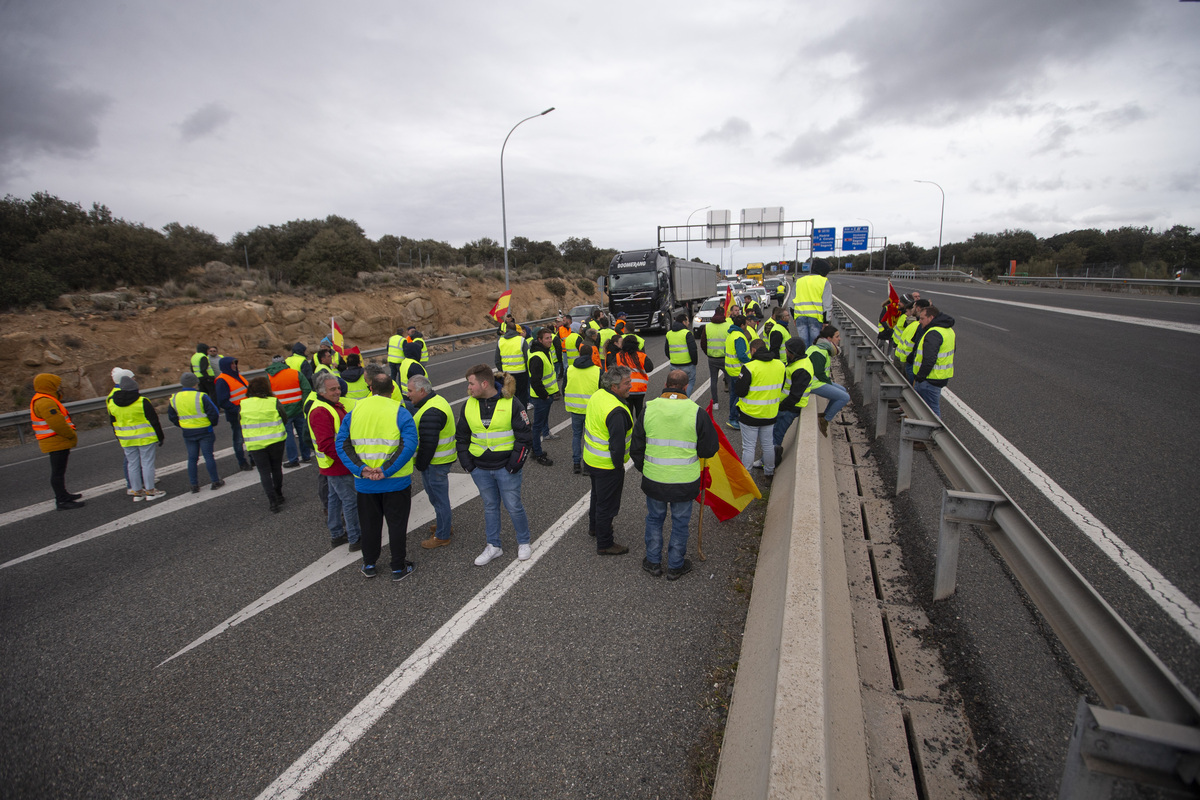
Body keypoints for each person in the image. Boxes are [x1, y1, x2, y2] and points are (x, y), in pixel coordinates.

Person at [631, 369, 719, 580]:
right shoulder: (696, 412)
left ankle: (653, 561)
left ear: (666, 383)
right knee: (680, 522)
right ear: (686, 386)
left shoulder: (649, 408)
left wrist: (647, 468)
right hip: (684, 481)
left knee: (654, 519)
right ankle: (675, 565)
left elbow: (636, 448)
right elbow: (709, 449)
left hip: (654, 479)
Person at [336, 373, 419, 579]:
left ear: (370, 388)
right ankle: (398, 567)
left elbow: (342, 444)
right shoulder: (400, 412)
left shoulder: (354, 412)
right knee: (397, 526)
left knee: (370, 525)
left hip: (365, 483)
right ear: (392, 390)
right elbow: (408, 445)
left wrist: (361, 469)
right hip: (396, 482)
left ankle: (369, 564)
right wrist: (386, 470)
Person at [456, 364, 535, 566]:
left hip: (506, 469)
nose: (469, 388)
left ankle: (524, 542)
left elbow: (524, 436)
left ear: (484, 383)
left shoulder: (512, 403)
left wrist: (514, 465)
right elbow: (462, 437)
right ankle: (494, 545)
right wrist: (468, 465)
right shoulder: (468, 404)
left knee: (514, 506)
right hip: (479, 468)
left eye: (471, 384)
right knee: (490, 507)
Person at [582, 364, 634, 555]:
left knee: (597, 496)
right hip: (608, 465)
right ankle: (605, 543)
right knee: (607, 505)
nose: (631, 386)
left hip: (591, 458)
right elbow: (617, 445)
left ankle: (594, 527)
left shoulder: (598, 395)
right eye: (627, 383)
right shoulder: (617, 411)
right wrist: (619, 466)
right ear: (614, 387)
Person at [307, 372, 361, 550]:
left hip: (331, 464)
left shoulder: (329, 405)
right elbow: (326, 444)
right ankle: (355, 538)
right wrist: (348, 460)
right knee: (350, 501)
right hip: (337, 464)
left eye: (338, 387)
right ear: (322, 391)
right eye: (333, 389)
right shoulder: (321, 411)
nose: (337, 391)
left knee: (334, 499)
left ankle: (337, 533)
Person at [407, 375, 457, 550]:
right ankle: (444, 525)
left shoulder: (431, 411)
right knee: (437, 498)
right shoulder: (436, 401)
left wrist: (420, 464)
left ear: (422, 391)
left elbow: (428, 444)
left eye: (410, 391)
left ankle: (442, 535)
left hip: (435, 462)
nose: (408, 394)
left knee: (438, 498)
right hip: (438, 460)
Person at [108, 375, 167, 501]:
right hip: (145, 437)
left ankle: (137, 492)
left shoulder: (112, 403)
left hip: (126, 439)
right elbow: (154, 420)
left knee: (132, 464)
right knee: (147, 463)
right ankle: (150, 491)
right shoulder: (142, 401)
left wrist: (119, 438)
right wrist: (160, 436)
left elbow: (113, 423)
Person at [30, 373, 84, 510]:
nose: (59, 387)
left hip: (56, 441)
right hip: (55, 441)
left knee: (59, 471)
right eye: (56, 384)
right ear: (49, 385)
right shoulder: (45, 402)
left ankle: (64, 494)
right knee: (58, 472)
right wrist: (71, 435)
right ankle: (61, 500)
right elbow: (57, 423)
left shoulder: (46, 399)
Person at [733, 339, 784, 479]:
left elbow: (740, 391)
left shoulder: (749, 367)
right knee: (767, 445)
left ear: (753, 350)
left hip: (750, 414)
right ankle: (769, 472)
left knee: (749, 447)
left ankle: (746, 478)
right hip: (770, 413)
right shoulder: (780, 365)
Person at [169, 372, 224, 493]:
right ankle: (215, 481)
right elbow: (213, 412)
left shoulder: (174, 398)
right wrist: (212, 424)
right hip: (204, 430)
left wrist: (182, 425)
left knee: (192, 458)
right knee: (208, 456)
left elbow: (172, 416)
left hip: (188, 432)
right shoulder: (201, 396)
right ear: (195, 383)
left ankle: (194, 485)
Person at [240, 376, 288, 511]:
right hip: (276, 440)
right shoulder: (273, 401)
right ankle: (279, 494)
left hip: (255, 444)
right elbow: (284, 417)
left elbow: (241, 422)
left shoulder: (244, 404)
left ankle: (272, 501)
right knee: (276, 468)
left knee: (264, 472)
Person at [265, 355, 314, 468]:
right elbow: (306, 389)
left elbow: (267, 394)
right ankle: (306, 456)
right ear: (284, 362)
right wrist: (303, 404)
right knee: (302, 432)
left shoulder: (269, 376)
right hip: (298, 409)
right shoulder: (295, 373)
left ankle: (293, 459)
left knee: (288, 436)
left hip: (282, 411)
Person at [772, 338, 813, 464]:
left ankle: (770, 462)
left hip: (789, 409)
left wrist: (781, 407)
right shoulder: (798, 363)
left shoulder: (802, 369)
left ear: (793, 353)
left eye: (787, 350)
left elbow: (795, 396)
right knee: (774, 433)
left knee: (776, 435)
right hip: (788, 406)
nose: (785, 351)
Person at [912, 304, 956, 418]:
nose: (920, 321)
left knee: (931, 412)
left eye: (922, 318)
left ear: (931, 318)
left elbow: (929, 359)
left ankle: (933, 433)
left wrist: (919, 377)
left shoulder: (933, 333)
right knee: (928, 410)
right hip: (940, 377)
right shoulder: (948, 330)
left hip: (929, 379)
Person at [807, 325, 851, 437]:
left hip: (818, 381)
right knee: (844, 397)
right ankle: (825, 420)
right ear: (829, 339)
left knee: (843, 390)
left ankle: (825, 414)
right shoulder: (819, 352)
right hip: (813, 384)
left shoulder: (821, 348)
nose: (839, 339)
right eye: (837, 336)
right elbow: (819, 372)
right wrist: (828, 383)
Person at [525, 326, 561, 466]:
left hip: (547, 395)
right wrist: (545, 396)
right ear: (539, 340)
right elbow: (535, 381)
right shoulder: (537, 357)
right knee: (537, 427)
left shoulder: (545, 351)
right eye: (547, 338)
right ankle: (537, 453)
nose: (550, 340)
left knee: (539, 425)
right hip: (541, 398)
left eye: (550, 337)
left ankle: (536, 450)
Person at [564, 342, 601, 475]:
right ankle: (587, 465)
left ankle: (576, 463)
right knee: (589, 437)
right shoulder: (597, 371)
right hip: (592, 410)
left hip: (575, 409)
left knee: (576, 435)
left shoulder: (569, 369)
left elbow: (564, 387)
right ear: (591, 355)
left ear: (579, 354)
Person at [214, 356, 253, 472]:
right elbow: (222, 401)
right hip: (236, 415)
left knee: (250, 437)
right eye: (232, 364)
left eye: (235, 363)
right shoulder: (222, 380)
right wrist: (237, 409)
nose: (234, 366)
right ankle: (242, 462)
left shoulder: (237, 376)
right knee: (238, 439)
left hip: (247, 412)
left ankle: (253, 458)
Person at [793, 259, 832, 348]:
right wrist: (826, 321)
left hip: (800, 317)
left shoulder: (799, 281)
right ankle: (812, 361)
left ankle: (805, 361)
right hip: (816, 318)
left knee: (803, 344)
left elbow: (791, 302)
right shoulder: (824, 281)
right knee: (815, 345)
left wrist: (794, 317)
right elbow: (827, 304)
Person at [723, 314, 751, 430]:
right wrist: (751, 362)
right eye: (746, 323)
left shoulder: (730, 335)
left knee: (733, 394)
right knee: (739, 396)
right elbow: (741, 355)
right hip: (738, 370)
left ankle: (733, 417)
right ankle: (733, 418)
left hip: (730, 369)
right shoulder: (739, 336)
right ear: (742, 325)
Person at [698, 307, 729, 409]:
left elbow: (703, 343)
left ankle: (715, 403)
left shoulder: (708, 327)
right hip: (726, 358)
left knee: (713, 380)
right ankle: (732, 403)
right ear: (723, 314)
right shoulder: (728, 326)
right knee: (730, 380)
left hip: (712, 358)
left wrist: (709, 353)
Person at [615, 335, 652, 419]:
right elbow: (650, 368)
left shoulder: (619, 356)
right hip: (640, 389)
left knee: (628, 411)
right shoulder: (641, 355)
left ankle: (629, 429)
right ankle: (639, 429)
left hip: (625, 388)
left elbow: (613, 368)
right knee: (639, 410)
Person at [495, 321, 531, 408]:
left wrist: (502, 371)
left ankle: (512, 417)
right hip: (521, 373)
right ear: (516, 330)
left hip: (507, 374)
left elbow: (497, 360)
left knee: (510, 397)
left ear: (506, 330)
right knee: (522, 396)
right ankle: (523, 419)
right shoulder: (521, 340)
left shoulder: (501, 341)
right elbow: (527, 358)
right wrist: (527, 370)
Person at [664, 312, 698, 397]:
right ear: (683, 322)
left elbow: (666, 350)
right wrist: (694, 362)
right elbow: (693, 350)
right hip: (687, 365)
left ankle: (675, 399)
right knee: (690, 382)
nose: (688, 323)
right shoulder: (687, 333)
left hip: (674, 365)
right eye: (687, 321)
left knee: (675, 385)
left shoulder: (669, 333)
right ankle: (684, 398)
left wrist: (673, 358)